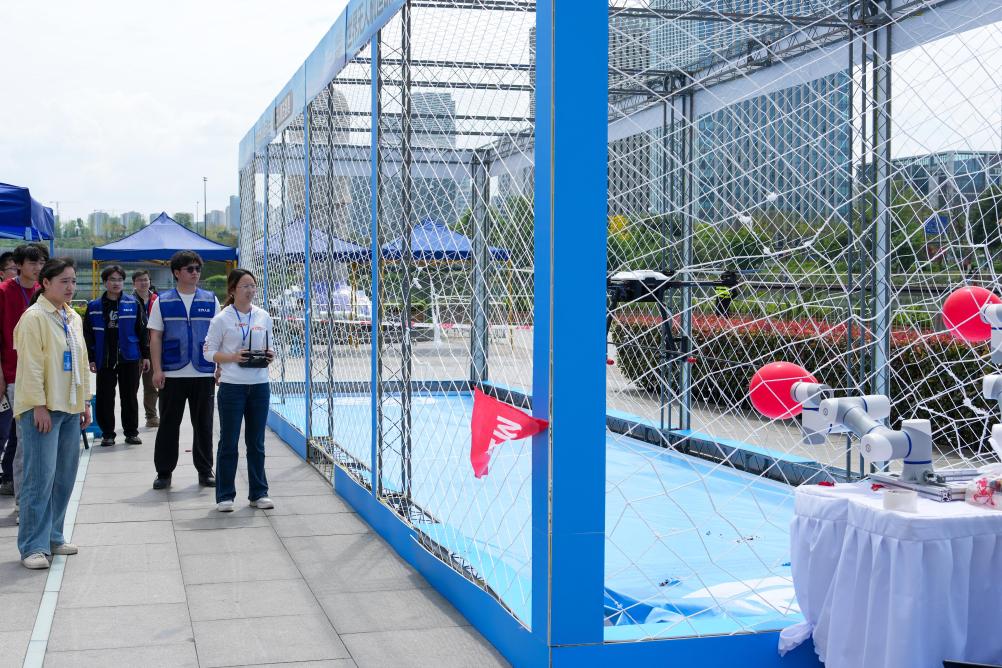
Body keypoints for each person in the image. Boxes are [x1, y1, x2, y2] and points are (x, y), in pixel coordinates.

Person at [15, 257, 91, 569]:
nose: (70, 287)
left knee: (64, 477)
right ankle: (33, 545)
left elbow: (81, 361)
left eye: (73, 281)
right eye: (64, 281)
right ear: (45, 283)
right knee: (39, 479)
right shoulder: (34, 317)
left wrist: (85, 402)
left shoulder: (71, 316)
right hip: (44, 409)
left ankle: (54, 536)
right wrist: (38, 405)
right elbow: (31, 365)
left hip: (70, 406)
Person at [204, 269, 275, 512]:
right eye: (245, 286)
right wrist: (233, 357)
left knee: (256, 442)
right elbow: (208, 352)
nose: (250, 290)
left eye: (253, 285)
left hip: (259, 385)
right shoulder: (221, 319)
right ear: (232, 289)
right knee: (229, 441)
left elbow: (271, 345)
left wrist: (270, 355)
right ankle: (225, 495)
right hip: (232, 386)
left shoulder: (263, 316)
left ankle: (259, 493)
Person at [149, 251, 219, 489]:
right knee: (169, 425)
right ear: (177, 273)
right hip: (172, 372)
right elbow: (155, 337)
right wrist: (157, 370)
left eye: (198, 269)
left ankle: (205, 470)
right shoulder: (162, 301)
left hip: (203, 371)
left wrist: (219, 367)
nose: (195, 273)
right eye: (190, 269)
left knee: (204, 425)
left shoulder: (210, 300)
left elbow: (219, 337)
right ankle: (164, 472)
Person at [0, 242, 48, 503]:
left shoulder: (45, 290)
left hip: (44, 376)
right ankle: (22, 502)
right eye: (33, 263)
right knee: (22, 440)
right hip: (14, 374)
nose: (38, 267)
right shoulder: (4, 291)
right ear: (18, 265)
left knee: (38, 439)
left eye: (42, 262)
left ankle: (35, 498)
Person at [84, 265, 150, 447]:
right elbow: (88, 334)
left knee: (129, 397)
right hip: (104, 358)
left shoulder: (133, 303)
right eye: (112, 279)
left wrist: (145, 355)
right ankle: (108, 434)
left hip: (129, 357)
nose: (116, 283)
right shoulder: (94, 306)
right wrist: (91, 358)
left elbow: (143, 330)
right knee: (105, 398)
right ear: (105, 282)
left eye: (120, 279)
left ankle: (131, 433)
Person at [132, 270, 159, 427]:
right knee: (133, 387)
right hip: (135, 349)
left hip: (154, 347)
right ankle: (133, 421)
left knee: (152, 385)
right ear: (134, 283)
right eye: (140, 280)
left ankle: (152, 416)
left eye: (146, 280)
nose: (143, 283)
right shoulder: (129, 301)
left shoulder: (157, 300)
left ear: (150, 281)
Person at [0, 251, 18, 495]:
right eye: (13, 269)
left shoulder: (37, 291)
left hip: (18, 375)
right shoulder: (4, 293)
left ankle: (9, 477)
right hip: (6, 375)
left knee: (15, 431)